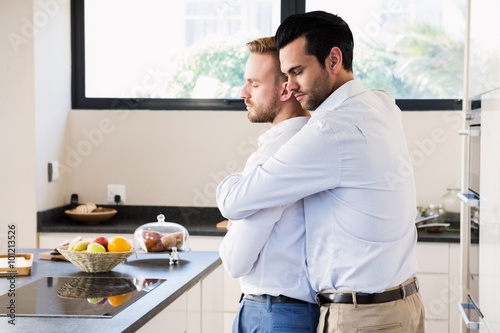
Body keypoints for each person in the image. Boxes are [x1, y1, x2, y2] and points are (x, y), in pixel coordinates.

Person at [217, 11, 425, 333]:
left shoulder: (330, 130)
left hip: (362, 316)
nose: (291, 86)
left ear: (333, 59)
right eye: (285, 75)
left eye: (298, 72)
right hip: (406, 304)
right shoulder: (382, 104)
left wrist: (235, 179)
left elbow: (235, 202)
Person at [219, 36, 319, 333]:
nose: (243, 92)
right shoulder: (309, 142)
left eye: (254, 84)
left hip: (274, 312)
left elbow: (235, 261)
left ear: (286, 88)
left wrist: (234, 225)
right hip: (285, 309)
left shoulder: (278, 155)